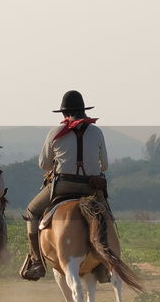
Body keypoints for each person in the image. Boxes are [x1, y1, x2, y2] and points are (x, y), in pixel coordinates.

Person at [19, 90, 108, 281]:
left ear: (64, 114)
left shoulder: (55, 133)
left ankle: (36, 260)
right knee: (105, 215)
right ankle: (104, 263)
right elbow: (105, 165)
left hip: (63, 187)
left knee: (32, 212)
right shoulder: (97, 132)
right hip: (91, 189)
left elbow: (44, 164)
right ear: (83, 111)